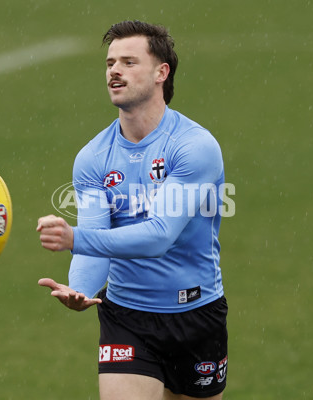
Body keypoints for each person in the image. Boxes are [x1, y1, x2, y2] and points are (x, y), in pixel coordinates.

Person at [36, 20, 228, 400]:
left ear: (162, 73)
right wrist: (81, 288)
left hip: (196, 313)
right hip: (126, 316)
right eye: (110, 63)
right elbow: (97, 235)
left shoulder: (194, 147)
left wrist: (73, 238)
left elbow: (160, 235)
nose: (114, 71)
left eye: (128, 61)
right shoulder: (92, 158)